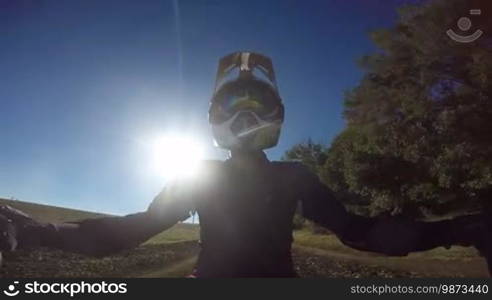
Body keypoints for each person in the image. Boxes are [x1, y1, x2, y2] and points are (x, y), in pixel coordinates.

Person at [0, 52, 490, 277]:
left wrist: (462, 228)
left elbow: (359, 232)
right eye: (235, 105)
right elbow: (133, 230)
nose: (245, 116)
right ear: (215, 116)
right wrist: (38, 229)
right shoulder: (200, 174)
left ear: (275, 114)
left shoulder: (293, 173)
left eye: (255, 105)